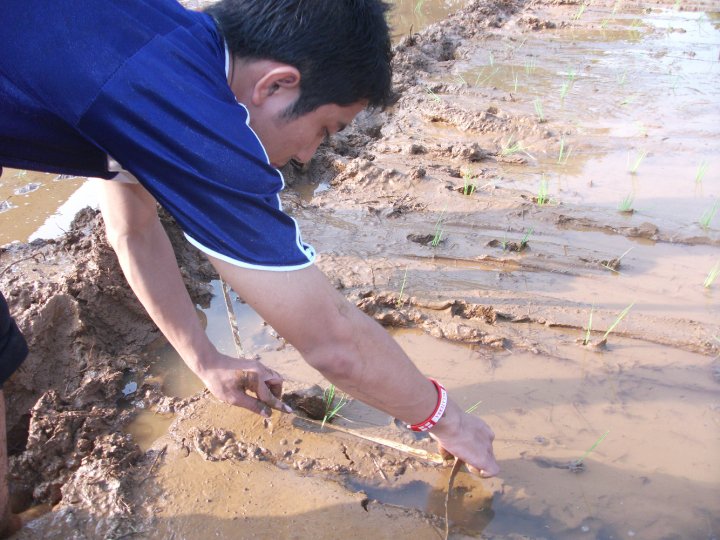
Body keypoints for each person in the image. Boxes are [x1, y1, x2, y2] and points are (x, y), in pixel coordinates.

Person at [0, 0, 498, 533]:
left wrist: (204, 357)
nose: (310, 156)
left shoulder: (169, 50)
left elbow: (135, 227)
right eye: (326, 129)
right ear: (276, 85)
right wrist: (445, 417)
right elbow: (333, 342)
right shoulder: (185, 106)